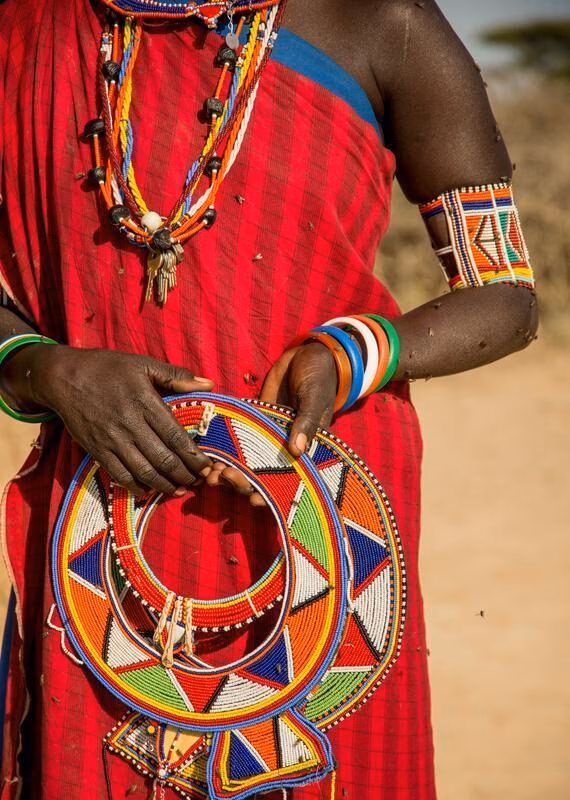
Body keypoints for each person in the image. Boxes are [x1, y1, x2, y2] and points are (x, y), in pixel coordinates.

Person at [0, 0, 537, 798]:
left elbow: (504, 296)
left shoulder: (382, 22)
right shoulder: (27, 25)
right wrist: (45, 368)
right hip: (100, 520)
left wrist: (353, 352)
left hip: (328, 534)